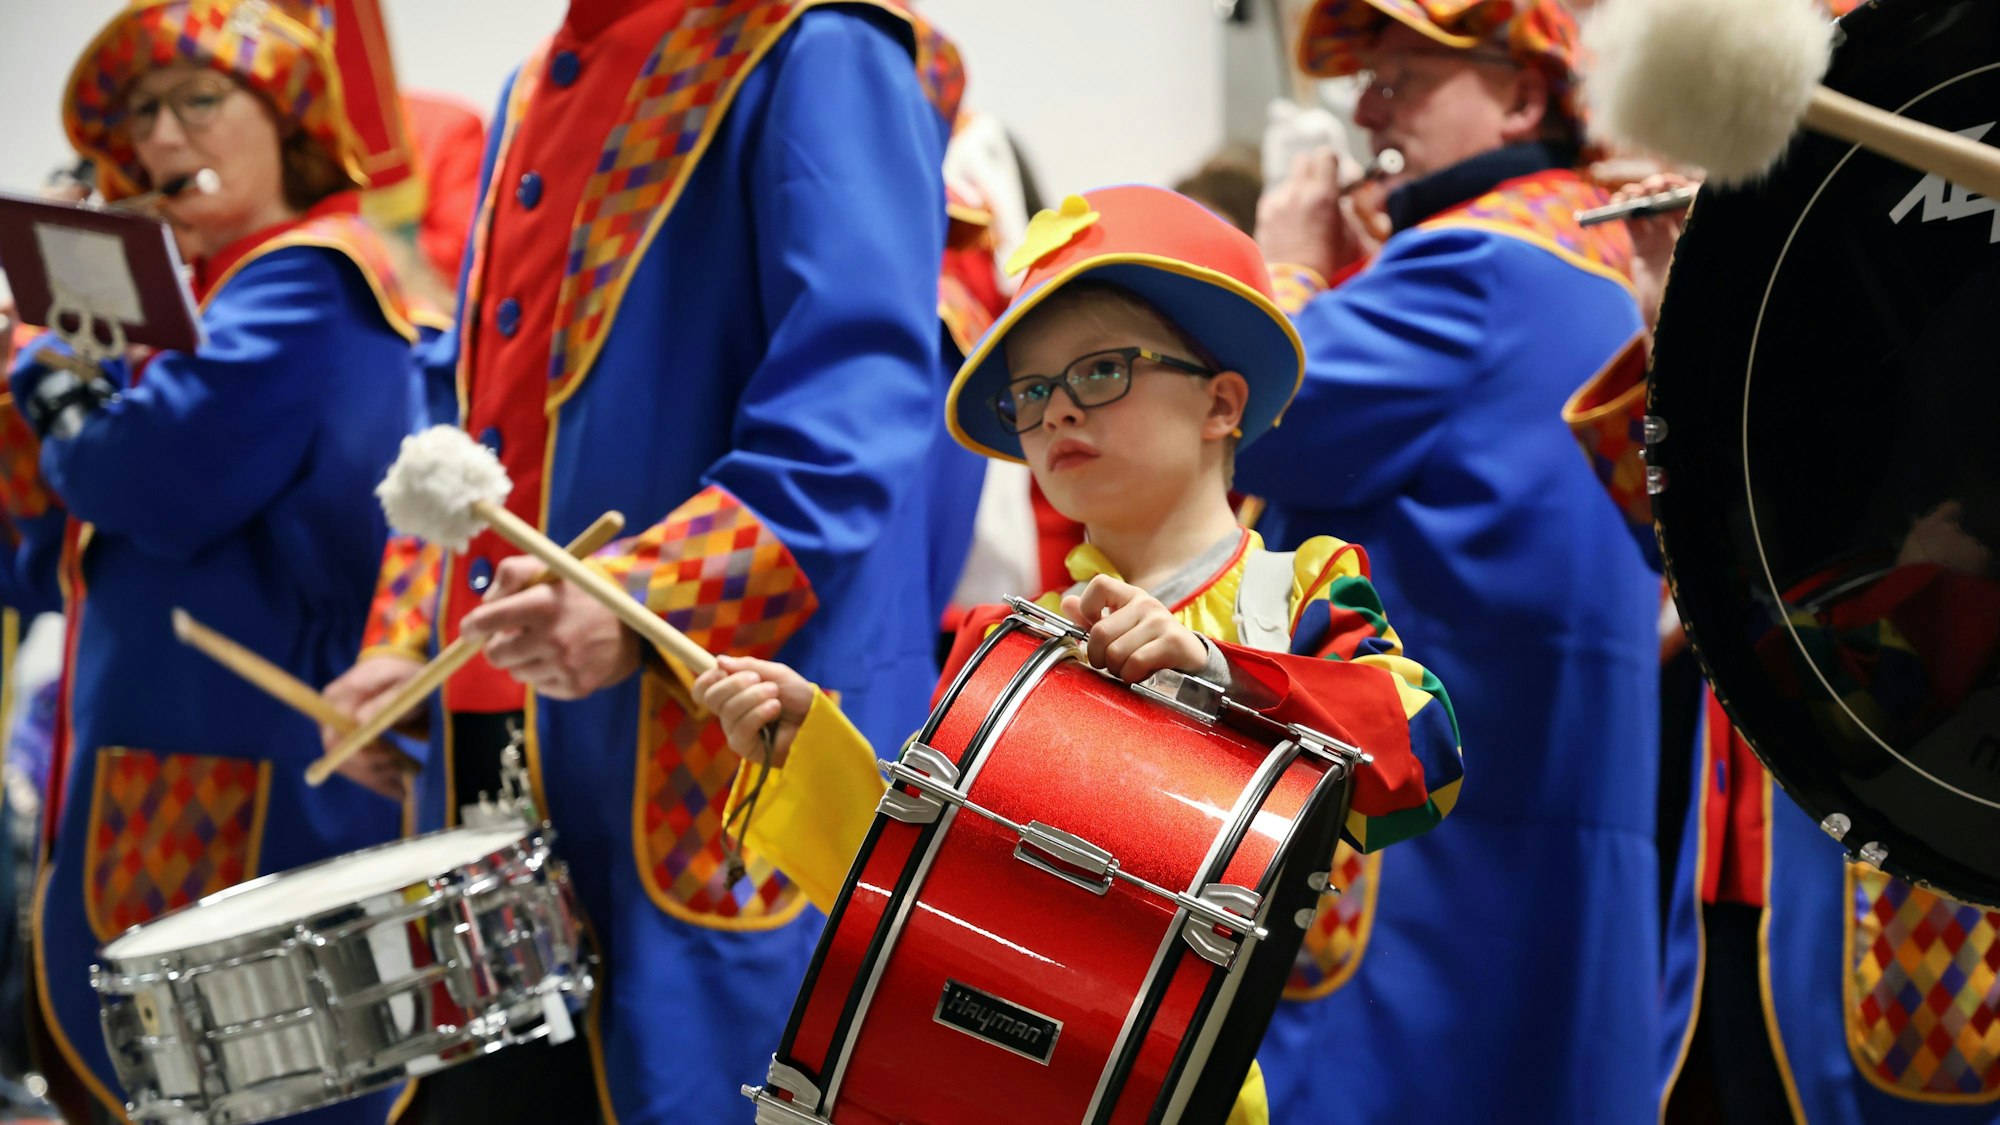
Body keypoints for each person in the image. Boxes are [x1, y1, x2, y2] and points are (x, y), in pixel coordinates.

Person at [318, 2, 976, 1120]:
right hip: (492, 751)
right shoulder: (535, 79)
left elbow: (853, 405)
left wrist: (640, 596)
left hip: (698, 757)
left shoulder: (818, 42)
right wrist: (399, 646)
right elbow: (467, 425)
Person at [692, 183, 1466, 1125]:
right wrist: (803, 747)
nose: (1055, 412)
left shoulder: (1294, 593)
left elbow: (1426, 759)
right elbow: (921, 905)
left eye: (1099, 371)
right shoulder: (1005, 646)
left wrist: (1222, 674)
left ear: (1222, 402)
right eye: (1031, 392)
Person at [1243, 1, 1662, 1121]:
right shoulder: (1595, 250)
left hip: (1425, 839)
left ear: (1524, 96)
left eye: (1405, 75)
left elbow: (1256, 410)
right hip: (1562, 804)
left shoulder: (1471, 262)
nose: (1370, 107)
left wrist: (1283, 271)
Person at [8, 1, 425, 1120]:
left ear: (283, 116)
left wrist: (46, 366)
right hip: (156, 776)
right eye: (143, 112)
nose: (163, 138)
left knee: (267, 1089)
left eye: (201, 99)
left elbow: (152, 478)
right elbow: (36, 552)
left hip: (259, 785)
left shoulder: (308, 275)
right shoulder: (201, 302)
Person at [1571, 179, 2000, 1125]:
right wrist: (1673, 324)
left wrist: (1923, 573)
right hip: (1747, 843)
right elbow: (1687, 550)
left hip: (1912, 846)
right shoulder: (1806, 293)